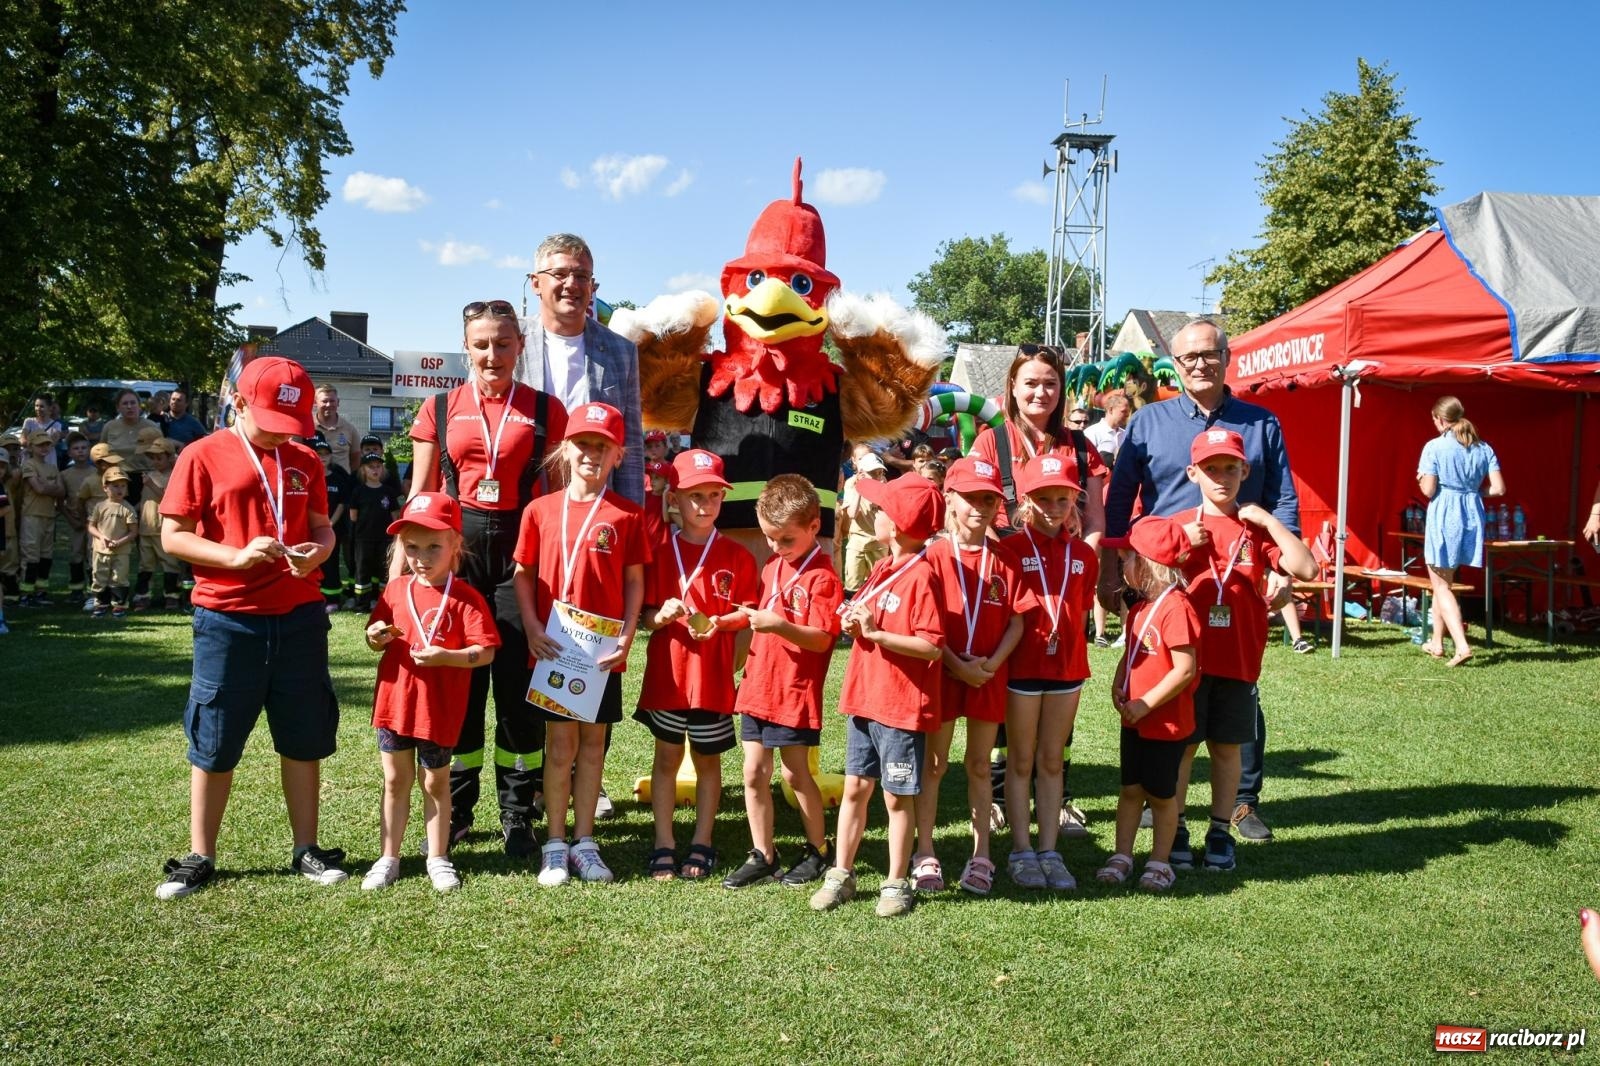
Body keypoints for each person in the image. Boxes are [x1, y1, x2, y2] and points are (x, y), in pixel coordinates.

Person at [154, 356, 344, 900]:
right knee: (213, 738)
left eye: (292, 424)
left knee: (303, 735)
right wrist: (235, 558)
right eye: (272, 421)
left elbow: (322, 528)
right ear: (238, 402)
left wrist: (318, 554)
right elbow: (174, 535)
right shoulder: (201, 454)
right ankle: (201, 854)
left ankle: (305, 848)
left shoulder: (304, 457)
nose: (283, 435)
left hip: (301, 618)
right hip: (227, 620)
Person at [1103, 318, 1299, 843]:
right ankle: (1167, 800)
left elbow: (1283, 499)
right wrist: (1115, 571)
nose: (1198, 364)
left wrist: (1280, 568)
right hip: (1170, 581)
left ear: (1227, 357)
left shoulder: (1261, 424)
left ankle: (1241, 804)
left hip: (1238, 580)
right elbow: (1121, 500)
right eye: (1187, 356)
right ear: (1175, 361)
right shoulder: (1150, 422)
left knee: (1238, 693)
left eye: (1208, 354)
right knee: (1172, 686)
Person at [407, 297, 568, 856]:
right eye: (481, 343)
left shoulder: (548, 410)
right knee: (464, 689)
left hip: (523, 554)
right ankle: (457, 810)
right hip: (459, 553)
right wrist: (400, 579)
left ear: (520, 346)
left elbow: (558, 497)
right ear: (466, 347)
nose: (492, 353)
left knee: (520, 696)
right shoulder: (439, 406)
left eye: (503, 342)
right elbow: (421, 496)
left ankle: (518, 813)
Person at [970, 345, 1108, 836]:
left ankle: (1061, 793)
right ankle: (998, 794)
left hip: (1062, 578)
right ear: (1012, 387)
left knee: (1057, 690)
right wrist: (1002, 565)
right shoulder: (991, 440)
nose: (1040, 392)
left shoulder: (1078, 444)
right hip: (1006, 576)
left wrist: (1079, 557)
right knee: (1004, 689)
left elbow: (1093, 515)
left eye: (1049, 382)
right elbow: (975, 508)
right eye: (1030, 382)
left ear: (1061, 387)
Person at [513, 402, 647, 886]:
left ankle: (585, 842)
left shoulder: (627, 515)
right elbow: (523, 574)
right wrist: (530, 626)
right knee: (559, 745)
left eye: (602, 446)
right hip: (553, 645)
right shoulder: (539, 510)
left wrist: (629, 634)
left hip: (600, 648)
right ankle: (554, 843)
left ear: (618, 455)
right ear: (566, 449)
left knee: (593, 746)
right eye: (584, 443)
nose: (592, 453)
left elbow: (635, 582)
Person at [1172, 429, 1317, 873]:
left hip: (1238, 660)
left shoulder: (1255, 529)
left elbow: (1307, 568)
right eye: (1211, 469)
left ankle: (1219, 830)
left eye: (1230, 468)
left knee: (1227, 750)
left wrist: (1271, 522)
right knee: (1182, 750)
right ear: (1193, 473)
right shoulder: (1180, 525)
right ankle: (1174, 828)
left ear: (1245, 471)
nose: (1221, 477)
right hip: (1187, 662)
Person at [811, 474, 944, 918]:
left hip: (901, 706)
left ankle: (895, 882)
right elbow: (868, 618)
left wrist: (876, 633)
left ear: (900, 524)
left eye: (883, 510)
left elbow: (931, 645)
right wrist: (853, 620)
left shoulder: (921, 574)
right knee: (855, 788)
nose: (874, 513)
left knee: (895, 797)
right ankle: (841, 874)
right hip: (866, 697)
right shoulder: (884, 565)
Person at [361, 492, 499, 893]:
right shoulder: (394, 591)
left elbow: (484, 652)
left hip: (437, 710)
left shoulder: (466, 598)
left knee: (436, 782)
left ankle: (438, 857)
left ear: (456, 543)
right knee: (393, 780)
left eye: (434, 546)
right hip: (394, 705)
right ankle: (389, 858)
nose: (422, 556)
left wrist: (447, 658)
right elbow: (376, 637)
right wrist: (374, 637)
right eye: (412, 547)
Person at [635, 449, 759, 881]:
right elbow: (645, 618)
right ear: (675, 498)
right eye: (694, 496)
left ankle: (703, 840)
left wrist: (724, 622)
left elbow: (749, 613)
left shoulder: (738, 556)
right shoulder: (657, 551)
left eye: (713, 496)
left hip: (711, 680)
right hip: (669, 677)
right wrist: (661, 617)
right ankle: (664, 841)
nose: (705, 505)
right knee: (666, 758)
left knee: (708, 761)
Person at [917, 456, 1030, 896]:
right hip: (944, 672)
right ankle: (925, 849)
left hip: (986, 675)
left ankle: (982, 852)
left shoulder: (1002, 558)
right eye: (971, 499)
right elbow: (920, 622)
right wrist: (955, 664)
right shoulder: (931, 555)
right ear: (951, 499)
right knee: (934, 764)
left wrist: (992, 664)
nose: (980, 509)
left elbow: (1018, 620)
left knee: (980, 765)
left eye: (989, 499)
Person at [725, 474, 843, 890]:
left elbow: (822, 638)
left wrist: (779, 626)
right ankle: (763, 852)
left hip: (792, 691)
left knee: (795, 775)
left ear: (814, 527)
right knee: (753, 772)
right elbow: (760, 611)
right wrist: (728, 621)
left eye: (785, 540)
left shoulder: (823, 578)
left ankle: (818, 850)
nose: (775, 547)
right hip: (758, 685)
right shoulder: (774, 565)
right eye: (769, 538)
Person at [994, 455, 1098, 891]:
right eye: (1044, 498)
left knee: (1051, 760)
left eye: (1062, 497)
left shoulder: (1085, 555)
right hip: (1021, 668)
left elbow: (1081, 608)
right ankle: (1021, 851)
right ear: (1028, 500)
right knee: (1020, 760)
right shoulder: (1011, 549)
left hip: (1067, 668)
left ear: (1076, 498)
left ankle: (1050, 850)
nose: (1054, 506)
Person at [1096, 516, 1200, 893]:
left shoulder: (1177, 609)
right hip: (1135, 720)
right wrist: (1118, 683)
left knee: (1161, 795)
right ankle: (1122, 854)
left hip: (1165, 724)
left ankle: (1160, 861)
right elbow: (1133, 654)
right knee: (1130, 790)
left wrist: (1146, 703)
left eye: (1127, 558)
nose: (1121, 565)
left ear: (1149, 565)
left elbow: (1185, 669)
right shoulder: (1139, 607)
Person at [520, 233, 644, 506]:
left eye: (581, 276)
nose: (571, 284)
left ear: (592, 286)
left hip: (596, 506)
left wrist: (633, 520)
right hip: (523, 503)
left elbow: (631, 447)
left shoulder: (622, 351)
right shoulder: (508, 342)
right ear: (536, 283)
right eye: (560, 273)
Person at [1418, 396, 1505, 667]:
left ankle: (1462, 646)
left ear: (1441, 419)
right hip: (1472, 512)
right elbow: (1499, 489)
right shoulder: (1483, 448)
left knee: (1441, 584)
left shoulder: (1434, 447)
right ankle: (1435, 642)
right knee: (1444, 582)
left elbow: (1429, 490)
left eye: (1434, 419)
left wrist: (1421, 478)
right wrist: (1474, 492)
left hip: (1445, 512)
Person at [133, 438, 182, 609]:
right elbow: (145, 499)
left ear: (169, 458)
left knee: (170, 563)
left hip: (163, 528)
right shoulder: (149, 476)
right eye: (152, 458)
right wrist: (133, 511)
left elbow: (167, 497)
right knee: (145, 564)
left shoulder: (174, 476)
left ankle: (171, 595)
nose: (155, 462)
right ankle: (142, 595)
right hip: (146, 527)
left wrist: (151, 484)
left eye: (159, 458)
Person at [347, 452, 400, 611]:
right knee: (362, 571)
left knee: (383, 571)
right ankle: (362, 603)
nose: (375, 470)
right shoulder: (358, 491)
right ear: (363, 470)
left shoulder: (388, 492)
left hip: (385, 539)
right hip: (363, 539)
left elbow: (395, 516)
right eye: (371, 467)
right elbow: (353, 516)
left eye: (378, 466)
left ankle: (382, 602)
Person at [17, 431, 64, 605]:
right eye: (40, 445)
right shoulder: (28, 465)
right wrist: (50, 487)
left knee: (46, 555)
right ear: (31, 447)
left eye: (47, 444)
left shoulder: (52, 468)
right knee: (31, 555)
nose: (44, 448)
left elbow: (61, 491)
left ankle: (41, 592)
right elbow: (39, 489)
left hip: (49, 515)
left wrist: (47, 486)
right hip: (32, 515)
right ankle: (26, 593)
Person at [88, 468, 138, 618]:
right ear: (105, 488)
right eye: (115, 486)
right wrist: (101, 537)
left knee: (119, 578)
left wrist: (119, 542)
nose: (120, 489)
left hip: (121, 551)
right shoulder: (100, 506)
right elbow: (91, 526)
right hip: (100, 549)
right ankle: (100, 604)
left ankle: (119, 605)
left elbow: (133, 532)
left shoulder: (128, 508)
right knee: (99, 576)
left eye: (123, 486)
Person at [837, 452, 888, 594]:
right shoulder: (851, 484)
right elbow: (852, 514)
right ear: (862, 473)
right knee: (852, 586)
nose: (878, 476)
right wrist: (860, 489)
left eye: (880, 472)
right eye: (874, 473)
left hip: (878, 543)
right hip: (857, 542)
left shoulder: (883, 484)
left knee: (878, 586)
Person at [100, 389, 160, 508]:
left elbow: (162, 454)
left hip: (145, 479)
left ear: (139, 406)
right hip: (117, 479)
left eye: (133, 403)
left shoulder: (151, 427)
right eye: (125, 403)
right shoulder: (110, 427)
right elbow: (101, 453)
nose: (129, 407)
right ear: (118, 408)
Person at [311, 437, 351, 613]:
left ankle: (333, 598)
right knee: (313, 562)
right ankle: (315, 596)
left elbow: (343, 503)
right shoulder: (309, 476)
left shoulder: (337, 478)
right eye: (319, 454)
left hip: (332, 528)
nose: (323, 458)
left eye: (326, 454)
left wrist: (330, 523)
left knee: (331, 562)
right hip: (311, 529)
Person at [59, 433, 94, 604]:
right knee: (75, 556)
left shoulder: (96, 472)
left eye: (84, 448)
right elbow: (60, 501)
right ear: (70, 453)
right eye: (76, 449)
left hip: (93, 522)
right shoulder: (65, 474)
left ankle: (93, 591)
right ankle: (76, 590)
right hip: (75, 523)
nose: (80, 452)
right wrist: (70, 519)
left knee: (92, 555)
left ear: (89, 450)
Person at [311, 385, 361, 473]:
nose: (328, 404)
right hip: (313, 482)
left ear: (338, 402)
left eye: (332, 401)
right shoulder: (307, 427)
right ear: (315, 403)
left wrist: (343, 478)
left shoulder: (350, 429)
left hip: (341, 484)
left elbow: (356, 460)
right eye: (324, 401)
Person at [1085, 391, 1131, 469]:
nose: (1127, 415)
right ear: (1110, 410)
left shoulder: (1126, 435)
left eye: (1128, 412)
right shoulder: (1092, 433)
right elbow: (1085, 462)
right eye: (1123, 411)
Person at [21, 396, 64, 469]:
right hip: (29, 461)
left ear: (50, 408)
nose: (38, 409)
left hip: (48, 461)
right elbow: (22, 440)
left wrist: (31, 445)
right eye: (36, 406)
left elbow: (52, 443)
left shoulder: (57, 425)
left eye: (41, 406)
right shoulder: (28, 422)